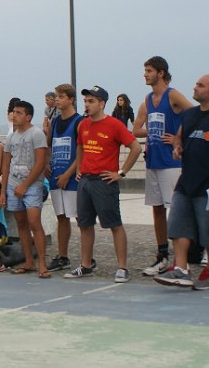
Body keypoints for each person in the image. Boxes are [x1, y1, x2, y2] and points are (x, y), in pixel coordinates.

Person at [152, 75, 209, 291]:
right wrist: (177, 147)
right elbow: (180, 137)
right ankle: (181, 268)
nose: (195, 87)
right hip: (186, 183)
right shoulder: (189, 114)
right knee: (178, 226)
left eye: (200, 85)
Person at [66, 86, 142, 283]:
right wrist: (78, 170)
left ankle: (122, 268)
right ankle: (85, 265)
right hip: (85, 181)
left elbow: (135, 147)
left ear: (102, 104)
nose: (87, 105)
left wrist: (121, 173)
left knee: (114, 224)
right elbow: (80, 146)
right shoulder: (82, 125)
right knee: (84, 224)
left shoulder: (115, 125)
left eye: (91, 101)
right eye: (85, 101)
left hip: (104, 181)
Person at [133, 56, 194, 277]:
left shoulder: (173, 95)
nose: (145, 74)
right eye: (144, 70)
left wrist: (179, 138)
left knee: (175, 210)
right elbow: (136, 130)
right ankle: (162, 255)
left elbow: (195, 115)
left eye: (149, 70)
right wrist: (151, 132)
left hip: (171, 163)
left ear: (160, 73)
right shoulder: (148, 100)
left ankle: (181, 259)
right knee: (157, 209)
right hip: (153, 161)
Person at [1, 100, 49, 278]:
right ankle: (29, 260)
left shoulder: (36, 134)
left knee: (34, 221)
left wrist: (25, 185)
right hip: (14, 183)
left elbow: (40, 162)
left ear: (28, 116)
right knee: (21, 223)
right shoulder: (11, 136)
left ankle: (42, 263)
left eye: (19, 112)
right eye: (14, 112)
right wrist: (3, 191)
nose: (15, 115)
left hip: (32, 185)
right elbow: (6, 164)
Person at [46, 84, 83, 272]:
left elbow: (81, 151)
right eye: (57, 96)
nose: (57, 99)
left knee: (78, 216)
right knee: (61, 217)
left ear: (70, 99)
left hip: (71, 178)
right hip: (55, 175)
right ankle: (62, 256)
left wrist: (68, 174)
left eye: (61, 96)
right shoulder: (54, 122)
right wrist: (46, 164)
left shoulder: (79, 122)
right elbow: (49, 146)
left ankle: (86, 259)